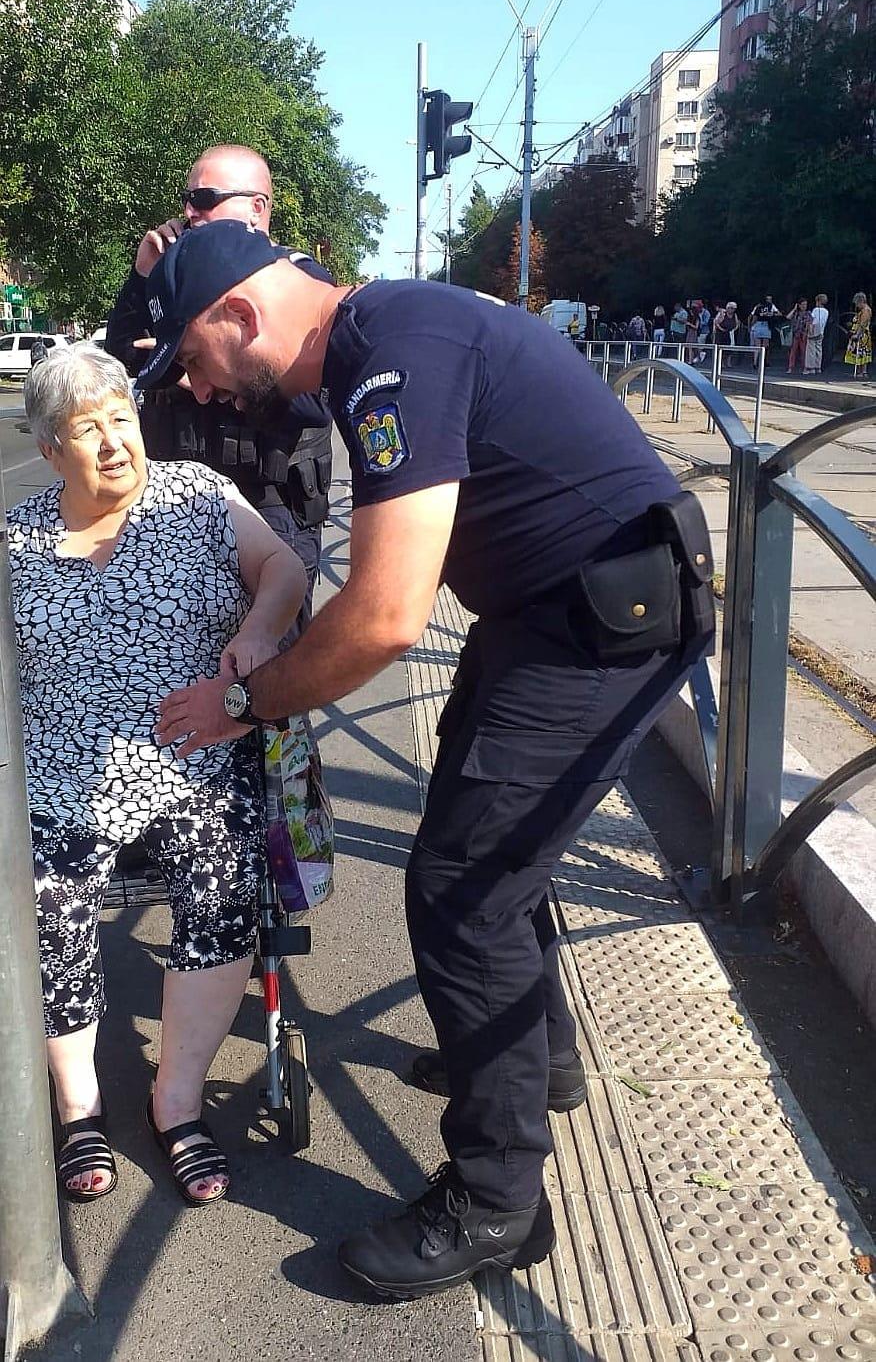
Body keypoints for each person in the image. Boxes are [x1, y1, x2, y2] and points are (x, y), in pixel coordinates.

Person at [142, 221, 715, 1300]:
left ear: (241, 316)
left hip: (599, 621)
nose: (202, 392)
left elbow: (388, 615)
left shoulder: (392, 353)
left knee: (466, 891)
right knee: (490, 847)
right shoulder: (383, 332)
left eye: (193, 359)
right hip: (560, 609)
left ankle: (497, 1200)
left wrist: (241, 702)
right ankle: (537, 1062)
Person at [8, 343, 305, 1206]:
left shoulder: (197, 496)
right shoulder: (19, 537)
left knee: (221, 885)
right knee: (44, 901)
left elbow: (282, 568)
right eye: (86, 428)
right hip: (62, 773)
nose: (111, 442)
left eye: (121, 420)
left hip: (197, 759)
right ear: (50, 447)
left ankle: (176, 1102)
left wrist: (255, 635)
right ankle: (79, 1108)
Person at [106, 144, 333, 632]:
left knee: (267, 663)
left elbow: (312, 402)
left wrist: (197, 375)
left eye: (206, 198)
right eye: (188, 198)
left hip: (268, 501)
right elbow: (122, 357)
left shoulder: (293, 280)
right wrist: (143, 275)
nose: (190, 211)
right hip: (180, 494)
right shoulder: (176, 277)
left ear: (257, 206)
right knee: (178, 649)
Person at [842, 291, 872, 381]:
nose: (857, 306)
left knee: (862, 352)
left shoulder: (866, 310)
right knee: (859, 353)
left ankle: (863, 372)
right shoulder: (862, 310)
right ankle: (860, 371)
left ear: (861, 301)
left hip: (862, 335)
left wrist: (857, 335)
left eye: (857, 303)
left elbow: (862, 325)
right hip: (858, 333)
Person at [785, 297, 812, 375]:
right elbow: (788, 317)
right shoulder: (796, 313)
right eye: (802, 304)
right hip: (796, 334)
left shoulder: (808, 313)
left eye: (805, 304)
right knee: (793, 352)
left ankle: (804, 368)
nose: (804, 306)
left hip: (804, 334)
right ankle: (790, 367)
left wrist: (808, 332)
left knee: (804, 352)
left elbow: (809, 323)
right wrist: (794, 309)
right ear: (799, 305)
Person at [805, 294, 829, 375]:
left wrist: (809, 329)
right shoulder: (826, 311)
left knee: (811, 349)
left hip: (814, 331)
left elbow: (812, 320)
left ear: (818, 301)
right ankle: (818, 367)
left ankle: (810, 368)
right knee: (819, 349)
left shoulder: (815, 310)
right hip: (821, 331)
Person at [713, 301, 739, 368]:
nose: (732, 310)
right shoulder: (722, 313)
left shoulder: (735, 315)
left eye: (733, 308)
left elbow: (737, 323)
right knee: (720, 348)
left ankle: (728, 362)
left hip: (730, 333)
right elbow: (716, 322)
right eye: (731, 308)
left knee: (729, 349)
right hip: (721, 333)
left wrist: (734, 329)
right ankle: (721, 363)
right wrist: (721, 329)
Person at [749, 302, 773, 366]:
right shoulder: (770, 308)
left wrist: (751, 326)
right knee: (765, 345)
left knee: (757, 345)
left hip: (758, 325)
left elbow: (754, 319)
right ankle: (762, 361)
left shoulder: (758, 308)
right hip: (766, 325)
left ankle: (755, 362)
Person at [694, 300, 712, 364]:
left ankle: (700, 357)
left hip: (704, 331)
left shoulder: (706, 313)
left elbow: (706, 322)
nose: (696, 308)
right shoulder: (696, 312)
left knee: (701, 344)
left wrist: (699, 322)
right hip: (697, 330)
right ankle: (699, 356)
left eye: (697, 307)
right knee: (697, 343)